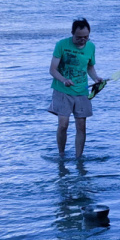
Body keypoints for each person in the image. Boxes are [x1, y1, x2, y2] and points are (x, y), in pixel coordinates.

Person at [49, 17, 101, 158]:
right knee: (63, 125)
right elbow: (53, 70)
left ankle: (79, 158)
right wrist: (64, 80)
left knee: (81, 126)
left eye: (86, 37)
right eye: (79, 37)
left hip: (82, 91)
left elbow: (90, 66)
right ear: (72, 33)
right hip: (62, 90)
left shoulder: (91, 47)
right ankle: (61, 154)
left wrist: (96, 78)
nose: (83, 40)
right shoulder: (61, 45)